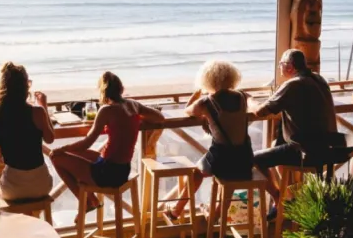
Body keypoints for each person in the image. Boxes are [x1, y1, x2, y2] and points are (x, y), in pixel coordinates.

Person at [51, 72, 164, 211]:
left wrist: (62, 148)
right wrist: (135, 120)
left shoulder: (106, 110)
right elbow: (159, 117)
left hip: (106, 173)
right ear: (121, 88)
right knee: (76, 155)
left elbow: (87, 143)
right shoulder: (133, 105)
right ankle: (92, 199)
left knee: (56, 157)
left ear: (103, 92)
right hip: (123, 170)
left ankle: (86, 202)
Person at [168, 60, 253, 219]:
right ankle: (216, 213)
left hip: (222, 157)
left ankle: (176, 210)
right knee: (229, 178)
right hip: (245, 157)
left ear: (207, 80)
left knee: (197, 173)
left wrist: (195, 96)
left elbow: (188, 111)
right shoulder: (242, 96)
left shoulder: (206, 102)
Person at [252, 49, 338, 204]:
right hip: (329, 149)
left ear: (290, 67)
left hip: (306, 153)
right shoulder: (319, 79)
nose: (279, 67)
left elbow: (261, 112)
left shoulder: (293, 84)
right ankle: (291, 196)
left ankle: (279, 198)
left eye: (281, 64)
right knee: (276, 144)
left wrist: (249, 100)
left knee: (254, 159)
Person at [0, 62, 55, 202]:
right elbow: (50, 139)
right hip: (41, 186)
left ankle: (22, 215)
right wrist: (44, 106)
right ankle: (32, 215)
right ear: (25, 86)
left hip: (12, 189)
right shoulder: (37, 112)